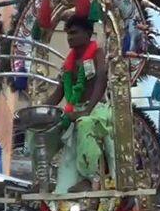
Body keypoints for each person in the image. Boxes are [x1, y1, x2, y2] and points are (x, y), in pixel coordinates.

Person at [43, 16, 110, 194]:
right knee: (42, 129)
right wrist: (38, 112)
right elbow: (59, 92)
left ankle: (90, 178)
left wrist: (87, 111)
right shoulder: (69, 62)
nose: (69, 37)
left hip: (96, 111)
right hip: (73, 113)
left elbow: (101, 80)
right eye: (67, 34)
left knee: (85, 124)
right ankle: (42, 176)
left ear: (88, 34)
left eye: (74, 33)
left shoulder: (97, 54)